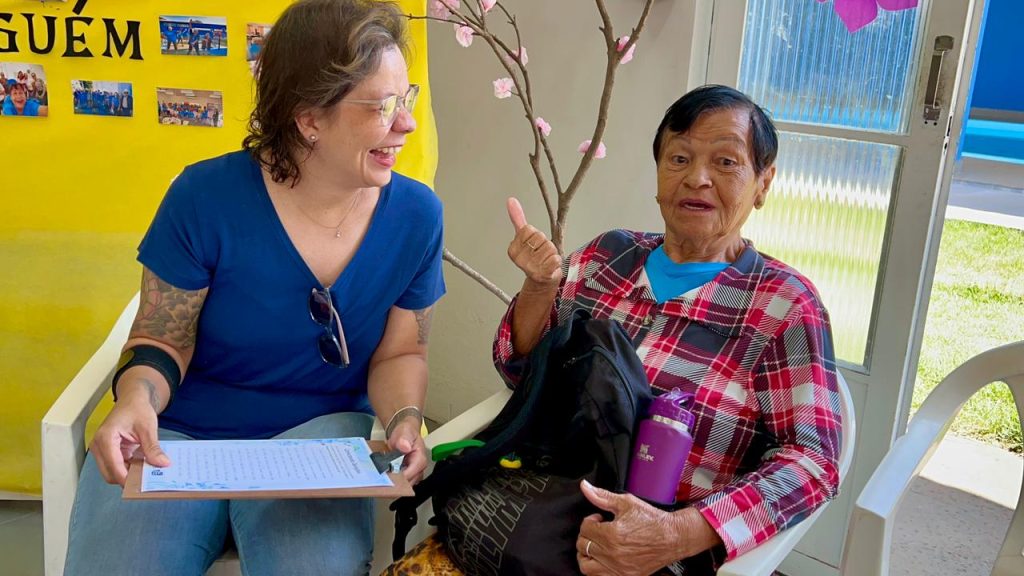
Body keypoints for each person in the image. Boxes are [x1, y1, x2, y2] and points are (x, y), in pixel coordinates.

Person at [64, 1, 443, 575]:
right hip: (179, 431)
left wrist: (404, 420)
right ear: (308, 118)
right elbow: (161, 339)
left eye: (406, 98)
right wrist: (135, 400)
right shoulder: (204, 198)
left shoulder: (417, 216)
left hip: (318, 443)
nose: (406, 123)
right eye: (381, 106)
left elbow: (401, 350)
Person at [495, 84, 842, 575]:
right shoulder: (606, 256)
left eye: (725, 162)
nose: (697, 179)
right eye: (678, 158)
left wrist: (676, 534)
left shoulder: (782, 304)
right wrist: (538, 289)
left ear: (763, 183)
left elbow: (812, 464)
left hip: (663, 551)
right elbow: (518, 370)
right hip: (539, 510)